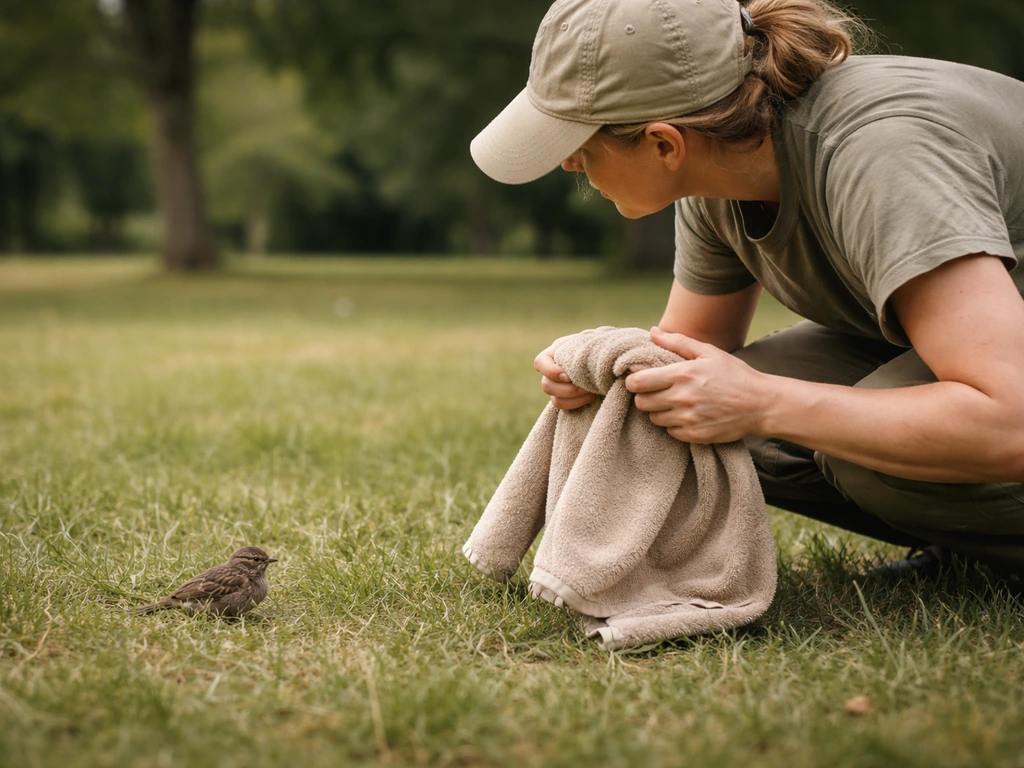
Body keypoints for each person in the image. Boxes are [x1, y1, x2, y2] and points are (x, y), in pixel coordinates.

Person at [469, 0, 1024, 574]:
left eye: (580, 146)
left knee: (850, 451)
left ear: (664, 144)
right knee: (677, 414)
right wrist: (604, 366)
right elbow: (687, 356)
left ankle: (976, 549)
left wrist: (763, 404)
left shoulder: (883, 153)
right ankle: (969, 544)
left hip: (1010, 396)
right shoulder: (720, 170)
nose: (570, 166)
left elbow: (1010, 420)